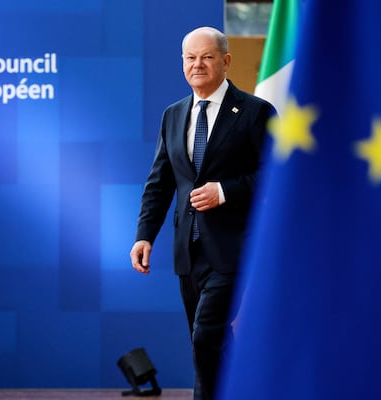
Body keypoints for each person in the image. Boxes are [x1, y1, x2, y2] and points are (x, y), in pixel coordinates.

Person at [129, 27, 276, 400]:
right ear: (182, 63)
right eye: (190, 58)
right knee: (213, 339)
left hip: (233, 248)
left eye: (207, 57)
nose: (198, 64)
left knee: (206, 333)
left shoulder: (256, 113)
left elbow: (278, 176)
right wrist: (145, 235)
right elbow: (160, 183)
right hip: (188, 252)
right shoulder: (173, 115)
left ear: (225, 61)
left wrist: (225, 190)